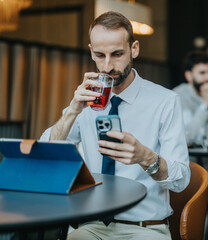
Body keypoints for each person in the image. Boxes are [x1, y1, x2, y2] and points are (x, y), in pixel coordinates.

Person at [40, 11, 190, 240]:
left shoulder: (165, 101)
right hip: (93, 224)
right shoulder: (87, 100)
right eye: (100, 55)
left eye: (117, 54)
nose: (108, 66)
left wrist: (145, 157)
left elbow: (181, 181)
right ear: (91, 51)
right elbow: (46, 154)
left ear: (134, 49)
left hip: (145, 227)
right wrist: (72, 110)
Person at [173, 50, 208, 144]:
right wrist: (205, 104)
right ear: (189, 76)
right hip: (188, 157)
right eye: (202, 73)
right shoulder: (178, 95)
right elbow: (188, 136)